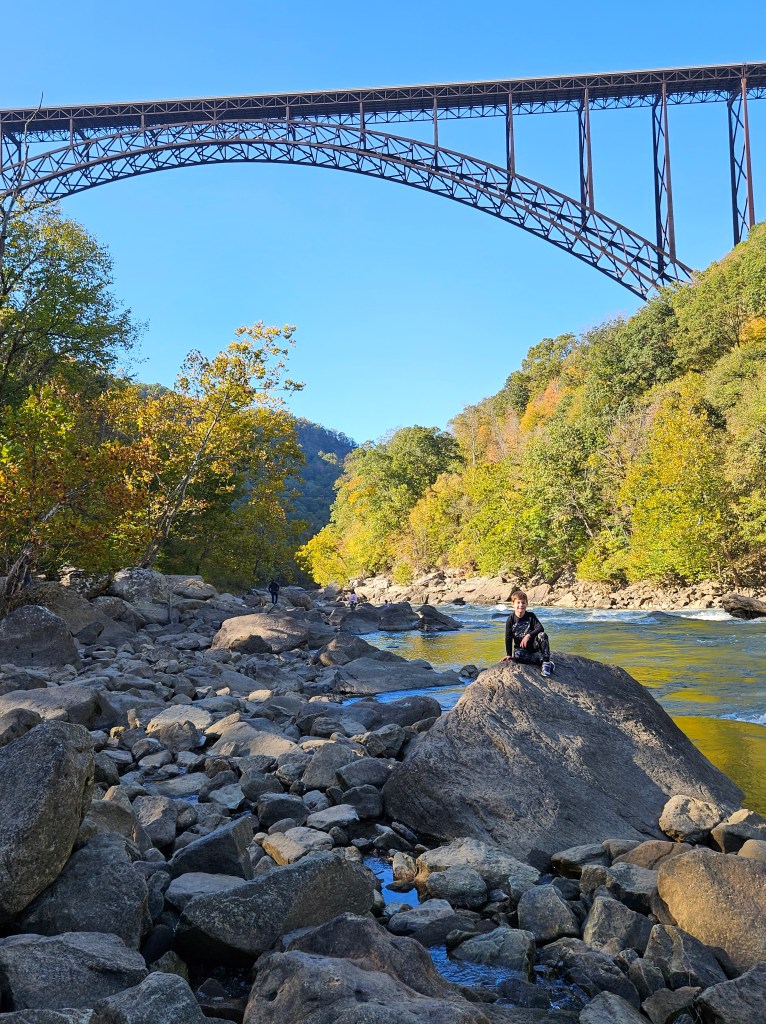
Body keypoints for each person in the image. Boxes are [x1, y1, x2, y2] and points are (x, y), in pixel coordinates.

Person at [503, 590, 555, 677]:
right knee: (516, 656)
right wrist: (508, 654)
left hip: (534, 645)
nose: (521, 605)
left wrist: (528, 635)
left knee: (542, 635)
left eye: (523, 603)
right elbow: (508, 637)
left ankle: (546, 663)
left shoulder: (531, 616)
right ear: (513, 604)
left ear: (527, 604)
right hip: (521, 648)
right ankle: (541, 662)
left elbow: (540, 628)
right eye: (518, 603)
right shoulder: (510, 620)